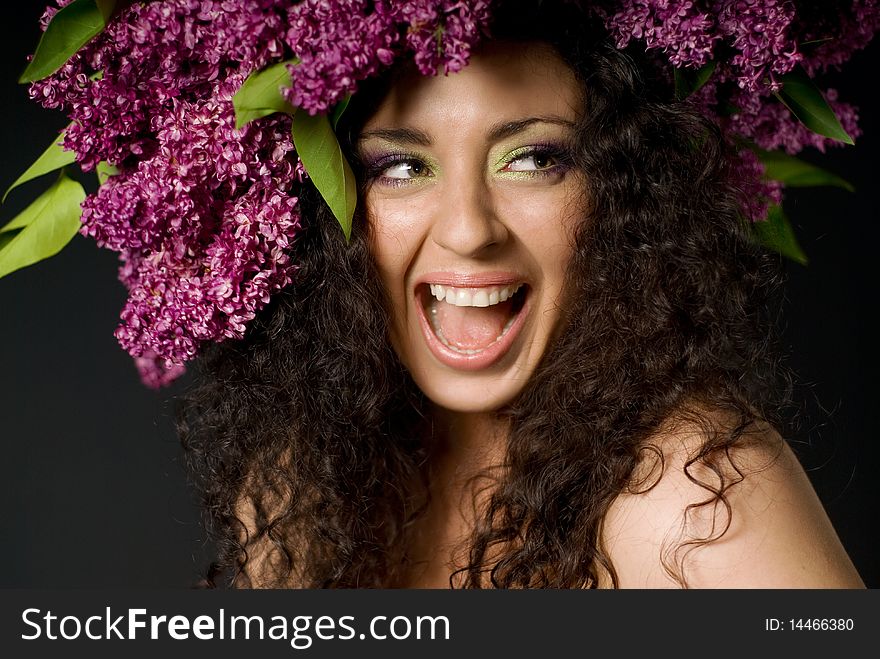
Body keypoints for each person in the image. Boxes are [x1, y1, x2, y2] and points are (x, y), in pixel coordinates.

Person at [174, 4, 865, 588]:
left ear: (621, 194)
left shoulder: (696, 499)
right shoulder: (301, 481)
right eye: (403, 166)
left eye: (534, 159)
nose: (470, 230)